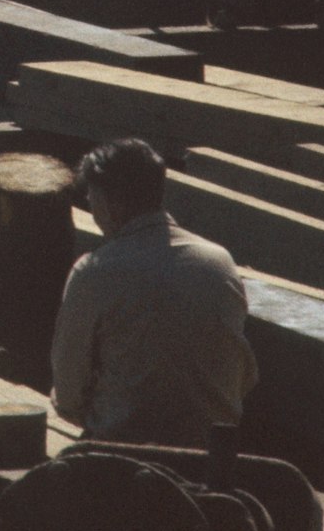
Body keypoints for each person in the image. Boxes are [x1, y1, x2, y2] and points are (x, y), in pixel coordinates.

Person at [50, 138, 257, 447]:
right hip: (210, 450)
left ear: (110, 203)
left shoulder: (94, 272)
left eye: (91, 198)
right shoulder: (218, 261)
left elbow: (68, 394)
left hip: (124, 450)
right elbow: (245, 376)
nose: (91, 209)